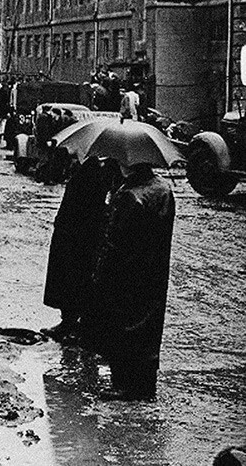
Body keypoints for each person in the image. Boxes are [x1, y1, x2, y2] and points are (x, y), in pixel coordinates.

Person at [80, 160, 176, 400]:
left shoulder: (128, 195)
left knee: (122, 326)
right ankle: (145, 384)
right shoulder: (163, 189)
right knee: (149, 327)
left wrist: (98, 273)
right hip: (153, 271)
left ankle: (125, 384)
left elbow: (113, 242)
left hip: (125, 273)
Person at [43, 156, 118, 341]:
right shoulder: (93, 166)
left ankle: (73, 323)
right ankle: (73, 321)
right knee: (75, 275)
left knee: (76, 275)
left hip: (80, 231)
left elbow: (93, 201)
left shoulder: (96, 168)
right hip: (76, 229)